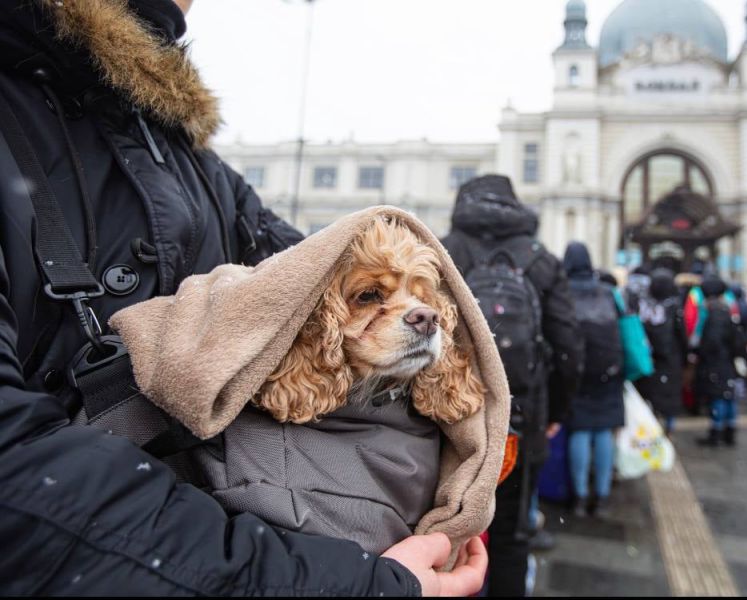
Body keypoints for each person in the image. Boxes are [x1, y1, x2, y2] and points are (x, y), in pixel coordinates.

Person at [0, 1, 485, 595]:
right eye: (370, 298)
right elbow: (17, 480)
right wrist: (352, 585)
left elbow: (315, 270)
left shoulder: (192, 162)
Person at [442, 175, 582, 597]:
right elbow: (568, 346)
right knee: (511, 534)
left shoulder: (442, 251)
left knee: (439, 528)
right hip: (520, 421)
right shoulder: (541, 260)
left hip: (449, 419)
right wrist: (556, 412)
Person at [562, 242, 625, 518]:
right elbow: (626, 327)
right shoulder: (609, 292)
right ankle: (601, 497)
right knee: (604, 431)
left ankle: (579, 496)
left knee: (580, 430)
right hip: (609, 372)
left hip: (576, 371)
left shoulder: (563, 292)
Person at [694, 276, 747, 447]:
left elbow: (712, 341)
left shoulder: (715, 314)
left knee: (718, 396)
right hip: (727, 361)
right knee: (728, 395)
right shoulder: (727, 310)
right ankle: (729, 430)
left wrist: (702, 353)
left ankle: (716, 432)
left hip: (717, 362)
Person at [636, 268, 688, 436]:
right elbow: (682, 335)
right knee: (670, 397)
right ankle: (668, 431)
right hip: (671, 359)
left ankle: (651, 430)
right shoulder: (675, 306)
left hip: (648, 358)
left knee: (649, 396)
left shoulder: (643, 305)